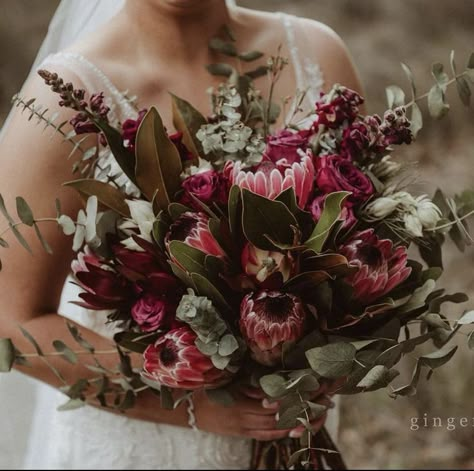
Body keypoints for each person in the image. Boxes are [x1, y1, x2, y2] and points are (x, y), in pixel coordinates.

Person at [0, 0, 363, 468]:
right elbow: (13, 322)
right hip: (145, 442)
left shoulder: (317, 54)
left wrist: (334, 353)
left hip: (296, 421)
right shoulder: (62, 100)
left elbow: (360, 243)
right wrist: (190, 405)